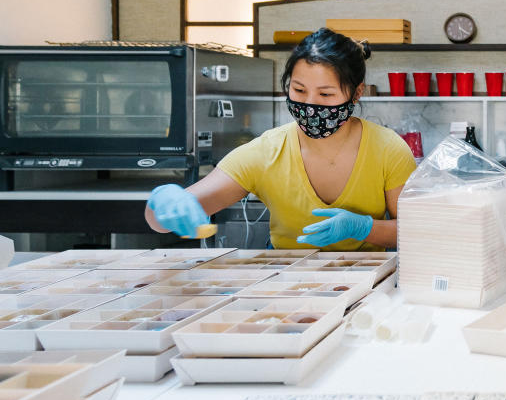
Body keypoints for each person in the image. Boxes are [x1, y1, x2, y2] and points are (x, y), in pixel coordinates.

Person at [145, 28, 417, 250]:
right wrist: (164, 204)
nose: (311, 104)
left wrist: (365, 229)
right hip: (288, 284)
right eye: (299, 90)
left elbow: (417, 231)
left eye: (325, 95)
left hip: (367, 286)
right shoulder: (266, 152)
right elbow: (161, 220)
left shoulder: (387, 149)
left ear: (357, 94)